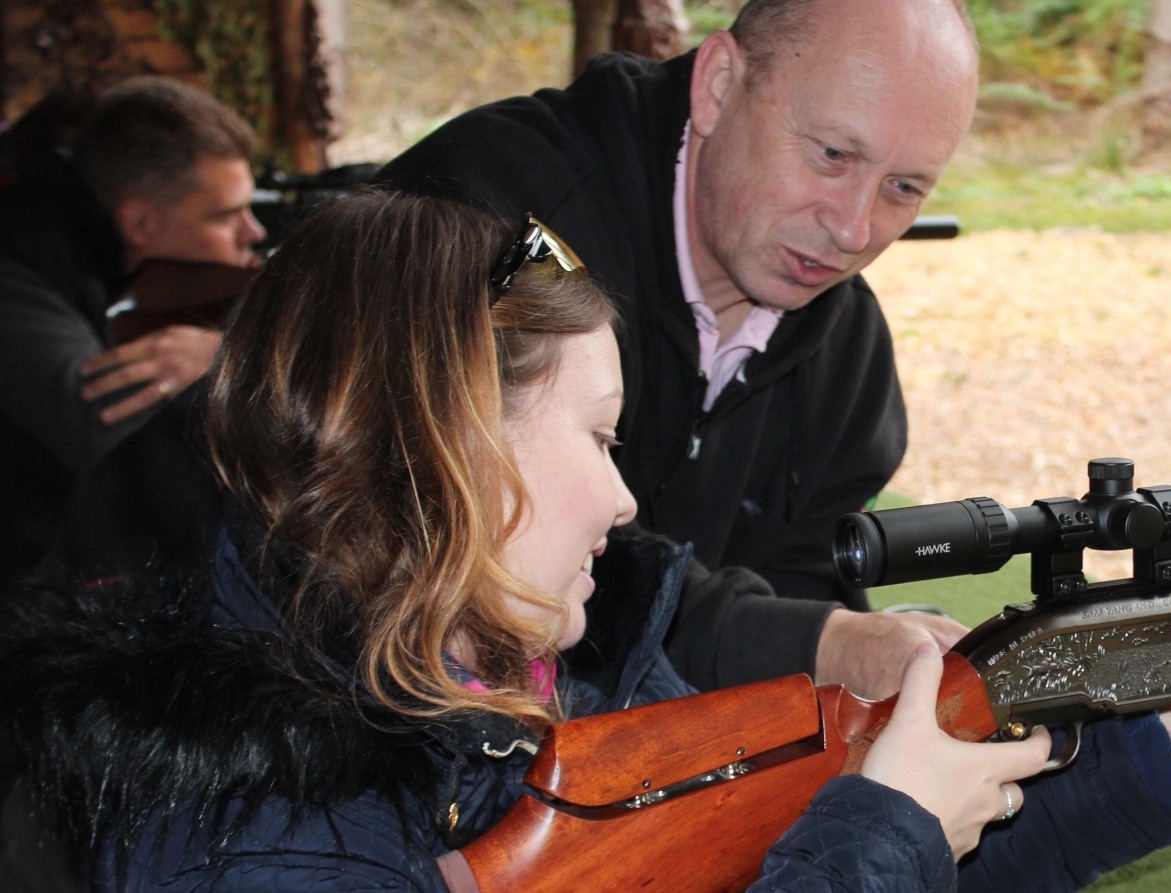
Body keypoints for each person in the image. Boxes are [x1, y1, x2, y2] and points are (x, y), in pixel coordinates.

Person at [0, 192, 1171, 891]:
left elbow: (801, 864)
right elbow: (854, 863)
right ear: (443, 441)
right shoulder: (246, 824)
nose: (622, 504)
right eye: (596, 441)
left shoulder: (548, 690)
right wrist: (888, 824)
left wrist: (1140, 764)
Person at [377, 0, 981, 698]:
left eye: (903, 189)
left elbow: (806, 591)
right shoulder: (500, 229)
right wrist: (800, 642)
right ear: (719, 84)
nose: (854, 229)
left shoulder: (847, 357)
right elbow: (446, 534)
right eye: (833, 155)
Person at [0, 78, 265, 584]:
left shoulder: (97, 248)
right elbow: (112, 435)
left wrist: (223, 351)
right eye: (227, 215)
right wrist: (236, 361)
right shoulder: (16, 267)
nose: (253, 233)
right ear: (139, 221)